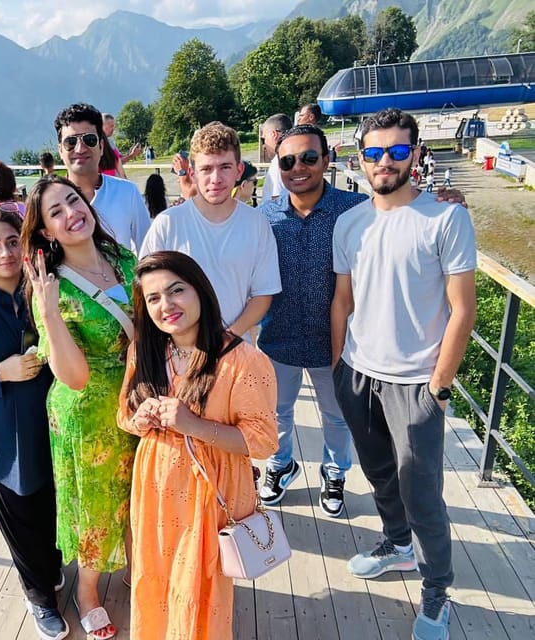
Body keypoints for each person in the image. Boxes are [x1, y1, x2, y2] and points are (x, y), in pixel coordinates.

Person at [331, 107, 477, 640]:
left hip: (416, 383)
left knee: (424, 496)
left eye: (396, 151)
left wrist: (439, 387)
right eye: (374, 152)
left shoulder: (446, 218)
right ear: (360, 158)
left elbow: (463, 309)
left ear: (415, 153)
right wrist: (338, 367)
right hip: (357, 374)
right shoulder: (350, 223)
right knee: (379, 474)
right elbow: (343, 300)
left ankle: (436, 592)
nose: (385, 161)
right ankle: (396, 545)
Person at [117, 250, 277, 639]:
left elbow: (262, 441)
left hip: (209, 492)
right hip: (155, 488)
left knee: (199, 590)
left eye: (177, 290)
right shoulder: (144, 350)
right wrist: (139, 420)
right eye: (153, 298)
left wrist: (194, 425)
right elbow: (124, 414)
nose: (166, 305)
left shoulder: (242, 361)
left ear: (200, 291)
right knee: (154, 575)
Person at [23, 175, 138, 640]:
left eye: (74, 200)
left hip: (136, 399)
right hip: (87, 413)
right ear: (46, 231)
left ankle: (138, 567)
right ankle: (86, 593)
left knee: (136, 491)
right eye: (57, 211)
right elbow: (74, 376)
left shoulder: (123, 259)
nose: (72, 213)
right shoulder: (53, 290)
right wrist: (49, 312)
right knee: (96, 502)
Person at [0, 208, 68, 640]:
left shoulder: (39, 291)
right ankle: (39, 597)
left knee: (50, 501)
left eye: (11, 243)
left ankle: (49, 567)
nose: (5, 253)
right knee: (19, 516)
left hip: (48, 420)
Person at [256, 125, 367, 516]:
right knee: (276, 413)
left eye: (308, 157)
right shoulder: (265, 216)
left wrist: (442, 201)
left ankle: (334, 472)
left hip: (334, 340)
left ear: (326, 159)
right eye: (288, 161)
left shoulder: (356, 210)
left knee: (337, 415)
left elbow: (400, 215)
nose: (298, 168)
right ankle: (280, 463)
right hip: (279, 336)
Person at [139, 121, 281, 344]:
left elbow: (263, 294)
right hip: (179, 350)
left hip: (235, 349)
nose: (216, 178)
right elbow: (146, 290)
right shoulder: (167, 223)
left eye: (225, 167)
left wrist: (227, 338)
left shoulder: (256, 224)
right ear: (192, 173)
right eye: (206, 169)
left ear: (239, 171)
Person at [55, 103, 150, 254]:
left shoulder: (127, 192)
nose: (80, 149)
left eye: (89, 140)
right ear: (60, 150)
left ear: (101, 146)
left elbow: (149, 251)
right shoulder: (50, 201)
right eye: (71, 142)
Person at [261, 113, 292, 201]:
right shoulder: (294, 157)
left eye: (264, 138)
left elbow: (276, 200)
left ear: (274, 134)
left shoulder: (279, 161)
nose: (264, 145)